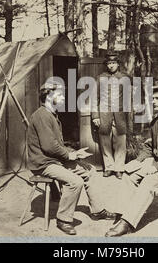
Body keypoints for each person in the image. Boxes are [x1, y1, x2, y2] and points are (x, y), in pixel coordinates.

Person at [27, 79, 117, 235]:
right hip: (43, 163)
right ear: (48, 95)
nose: (63, 98)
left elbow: (57, 144)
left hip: (55, 160)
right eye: (60, 95)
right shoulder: (42, 116)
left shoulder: (52, 115)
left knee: (90, 171)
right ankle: (63, 219)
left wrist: (74, 153)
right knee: (75, 182)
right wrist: (70, 155)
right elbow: (49, 147)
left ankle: (97, 211)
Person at [105, 84, 158, 237]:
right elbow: (149, 147)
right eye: (153, 98)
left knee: (148, 182)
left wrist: (157, 167)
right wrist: (138, 161)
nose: (154, 101)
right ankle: (122, 214)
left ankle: (127, 223)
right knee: (128, 176)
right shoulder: (155, 121)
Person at [92, 53, 130, 179]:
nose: (111, 65)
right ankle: (108, 167)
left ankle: (119, 168)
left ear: (118, 64)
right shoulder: (100, 78)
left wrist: (130, 118)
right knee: (104, 141)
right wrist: (95, 116)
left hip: (120, 115)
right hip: (104, 114)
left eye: (113, 63)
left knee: (120, 142)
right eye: (109, 63)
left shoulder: (124, 78)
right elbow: (94, 98)